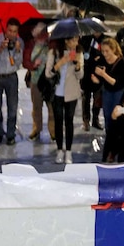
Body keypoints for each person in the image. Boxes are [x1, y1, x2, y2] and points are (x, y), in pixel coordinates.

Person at [45, 36, 84, 164]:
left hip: (71, 92)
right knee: (58, 121)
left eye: (77, 40)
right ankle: (59, 150)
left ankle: (69, 151)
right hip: (57, 93)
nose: (75, 43)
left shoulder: (79, 53)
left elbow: (80, 75)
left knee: (69, 121)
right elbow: (48, 73)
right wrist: (61, 62)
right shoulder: (54, 52)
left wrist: (78, 65)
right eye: (73, 40)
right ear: (66, 41)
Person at [0, 18, 23, 145]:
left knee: (12, 107)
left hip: (11, 77)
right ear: (6, 29)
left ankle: (10, 135)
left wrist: (18, 51)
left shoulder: (19, 42)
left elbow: (19, 63)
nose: (12, 34)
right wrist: (0, 48)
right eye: (10, 30)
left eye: (14, 32)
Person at [23, 23, 55, 141]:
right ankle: (37, 129)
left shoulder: (52, 43)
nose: (42, 35)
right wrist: (33, 65)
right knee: (37, 107)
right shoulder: (30, 45)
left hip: (49, 81)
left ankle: (53, 131)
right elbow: (25, 62)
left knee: (51, 106)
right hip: (35, 80)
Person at [91, 37, 124, 135]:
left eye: (107, 51)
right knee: (107, 115)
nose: (105, 54)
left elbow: (116, 82)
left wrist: (103, 74)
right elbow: (101, 80)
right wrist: (96, 79)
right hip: (107, 92)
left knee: (117, 115)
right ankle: (109, 138)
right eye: (103, 51)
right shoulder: (102, 60)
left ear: (113, 49)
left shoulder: (121, 63)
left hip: (118, 93)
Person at [80, 18, 107, 131]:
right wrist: (92, 59)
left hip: (99, 74)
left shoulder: (105, 40)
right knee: (85, 98)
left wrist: (98, 59)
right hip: (86, 74)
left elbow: (106, 56)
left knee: (97, 99)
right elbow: (82, 55)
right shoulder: (85, 39)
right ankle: (86, 120)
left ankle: (95, 119)